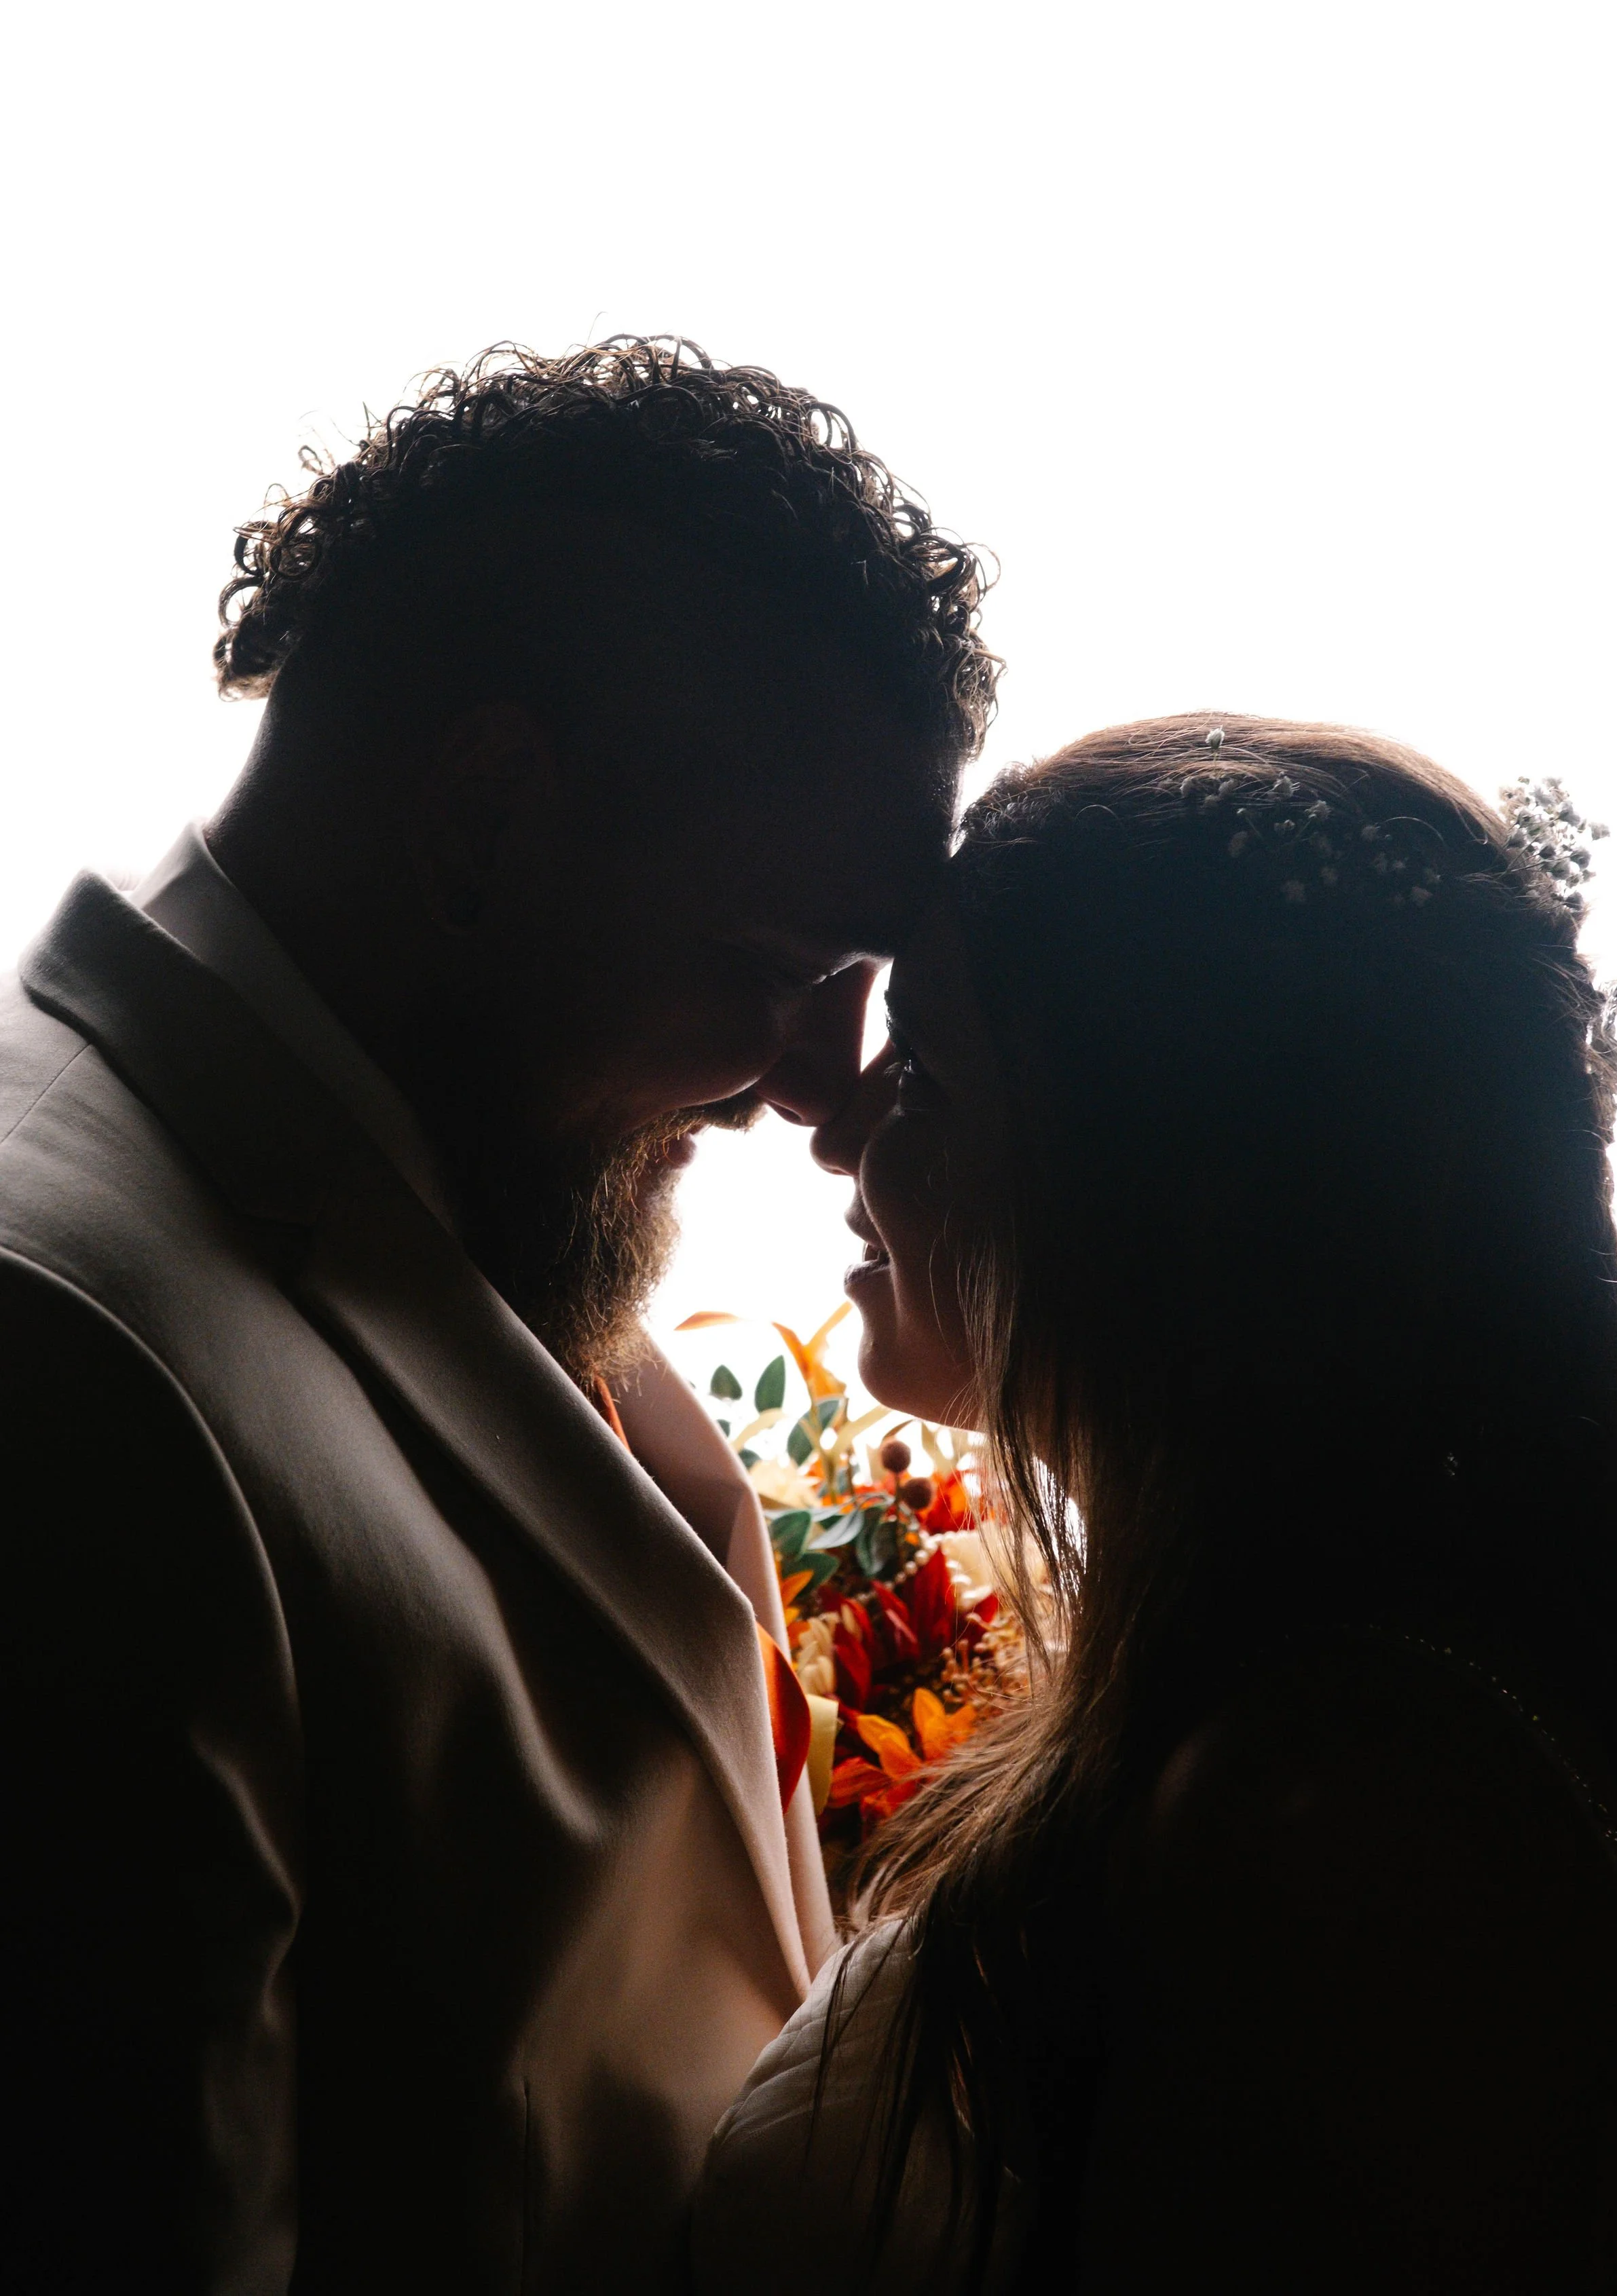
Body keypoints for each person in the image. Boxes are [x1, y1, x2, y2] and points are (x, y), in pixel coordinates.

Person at [0, 337, 1000, 2292]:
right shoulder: (63, 1372)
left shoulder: (462, 1162)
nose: (817, 1086)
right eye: (790, 967)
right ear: (481, 822)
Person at [693, 716, 1617, 2293]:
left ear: (1156, 1170)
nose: (838, 1133)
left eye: (920, 1068)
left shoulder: (1342, 1824)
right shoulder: (1287, 1698)